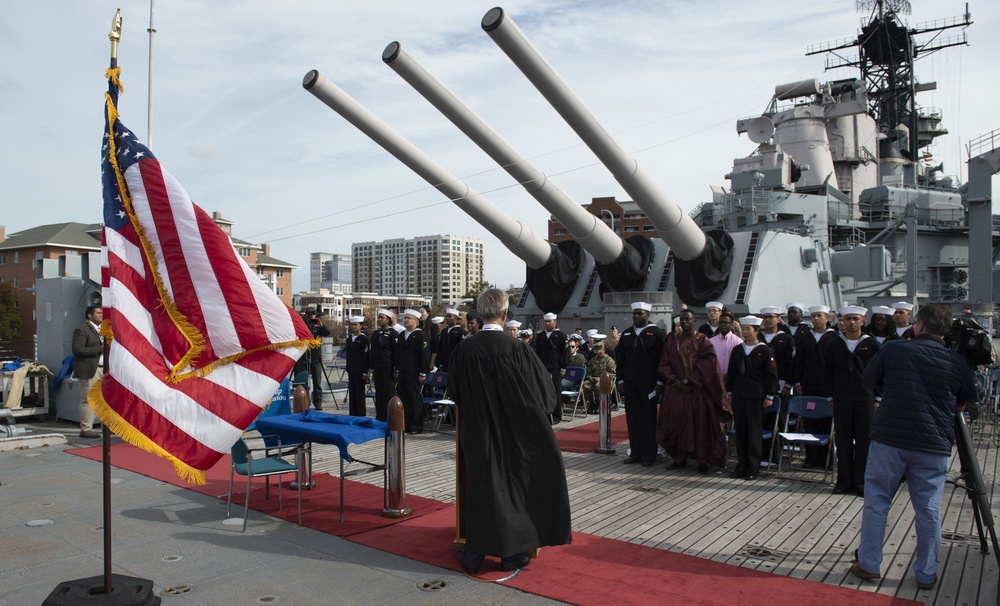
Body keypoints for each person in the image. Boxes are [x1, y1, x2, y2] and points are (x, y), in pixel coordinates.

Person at [851, 303, 978, 589]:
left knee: (877, 502)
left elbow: (869, 380)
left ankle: (869, 564)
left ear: (918, 325)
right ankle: (926, 572)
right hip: (933, 443)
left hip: (890, 440)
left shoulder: (896, 349)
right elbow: (970, 401)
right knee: (929, 508)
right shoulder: (956, 361)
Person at [447, 288, 572, 575]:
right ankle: (511, 553)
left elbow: (455, 392)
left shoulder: (463, 350)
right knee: (513, 488)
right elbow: (545, 395)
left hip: (478, 430)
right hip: (516, 433)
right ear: (505, 314)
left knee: (482, 485)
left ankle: (475, 551)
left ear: (480, 314)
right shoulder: (517, 349)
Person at [657, 308, 732, 474]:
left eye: (687, 319)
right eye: (681, 319)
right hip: (676, 391)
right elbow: (664, 364)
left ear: (694, 320)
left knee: (700, 426)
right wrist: (676, 381)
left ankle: (702, 460)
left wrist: (690, 381)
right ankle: (680, 458)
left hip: (697, 391)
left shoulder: (703, 340)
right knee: (677, 424)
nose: (684, 322)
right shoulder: (672, 341)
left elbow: (709, 363)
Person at [825, 305, 880, 495]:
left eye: (856, 319)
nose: (852, 322)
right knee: (843, 440)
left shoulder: (872, 345)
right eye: (848, 319)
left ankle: (861, 483)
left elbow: (880, 374)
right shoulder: (834, 344)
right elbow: (829, 372)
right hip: (842, 398)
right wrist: (830, 396)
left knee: (864, 442)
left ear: (863, 320)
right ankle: (844, 482)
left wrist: (878, 398)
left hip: (865, 399)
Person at [726, 316, 778, 480]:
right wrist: (729, 393)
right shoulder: (737, 349)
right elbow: (732, 373)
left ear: (756, 330)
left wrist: (769, 395)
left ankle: (752, 467)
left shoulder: (765, 350)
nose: (745, 332)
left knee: (754, 432)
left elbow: (771, 376)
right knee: (741, 430)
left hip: (756, 396)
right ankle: (741, 465)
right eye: (743, 328)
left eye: (749, 329)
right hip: (740, 395)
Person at [616, 302, 666, 466]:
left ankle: (648, 455)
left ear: (648, 315)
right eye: (635, 314)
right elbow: (620, 359)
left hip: (649, 384)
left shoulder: (657, 333)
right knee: (633, 419)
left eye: (640, 314)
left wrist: (659, 383)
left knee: (649, 419)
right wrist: (621, 379)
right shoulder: (627, 334)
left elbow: (662, 360)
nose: (637, 316)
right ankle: (635, 453)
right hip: (631, 383)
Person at [792, 305, 837, 468]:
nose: (816, 319)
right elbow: (799, 362)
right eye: (813, 316)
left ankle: (826, 459)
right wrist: (798, 382)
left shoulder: (834, 338)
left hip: (826, 386)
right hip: (809, 384)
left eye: (819, 316)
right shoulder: (805, 338)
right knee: (809, 421)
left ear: (827, 318)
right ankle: (811, 458)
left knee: (827, 422)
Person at [396, 309, 430, 434]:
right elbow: (398, 354)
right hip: (403, 372)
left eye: (408, 318)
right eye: (405, 318)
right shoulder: (402, 335)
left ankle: (416, 426)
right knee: (404, 398)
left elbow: (425, 355)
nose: (406, 320)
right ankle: (405, 424)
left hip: (415, 373)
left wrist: (423, 372)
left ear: (415, 321)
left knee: (414, 399)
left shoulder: (420, 335)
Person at [72, 306, 104, 438]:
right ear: (89, 316)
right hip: (90, 369)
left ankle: (106, 426)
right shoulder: (82, 330)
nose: (101, 315)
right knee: (87, 399)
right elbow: (77, 350)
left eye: (101, 313)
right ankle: (86, 429)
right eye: (98, 313)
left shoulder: (102, 330)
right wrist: (98, 349)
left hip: (103, 368)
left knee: (104, 399)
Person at [533, 312, 568, 424]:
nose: (547, 324)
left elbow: (565, 353)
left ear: (555, 322)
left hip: (556, 368)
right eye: (546, 322)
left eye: (550, 322)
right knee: (544, 391)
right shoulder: (540, 336)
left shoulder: (561, 336)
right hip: (543, 368)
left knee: (556, 391)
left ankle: (557, 415)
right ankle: (546, 414)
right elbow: (537, 353)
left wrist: (563, 368)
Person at [369, 309, 399, 422]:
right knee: (379, 392)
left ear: (388, 319)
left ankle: (390, 417)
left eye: (382, 317)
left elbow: (396, 352)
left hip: (389, 368)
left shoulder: (393, 334)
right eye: (379, 317)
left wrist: (395, 369)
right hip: (378, 367)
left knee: (389, 393)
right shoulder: (376, 334)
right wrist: (371, 367)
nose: (380, 319)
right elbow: (373, 351)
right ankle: (380, 416)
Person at [304, 309, 331, 410]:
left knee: (317, 382)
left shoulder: (318, 326)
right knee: (304, 382)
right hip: (305, 357)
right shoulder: (304, 324)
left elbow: (327, 333)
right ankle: (305, 402)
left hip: (316, 357)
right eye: (310, 314)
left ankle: (318, 402)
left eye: (314, 314)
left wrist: (321, 325)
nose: (312, 316)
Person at [345, 315, 370, 417]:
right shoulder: (349, 339)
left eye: (356, 325)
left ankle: (360, 415)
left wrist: (365, 371)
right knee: (353, 393)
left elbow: (366, 356)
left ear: (360, 326)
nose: (354, 327)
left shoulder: (363, 339)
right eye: (352, 325)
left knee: (359, 394)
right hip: (352, 369)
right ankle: (353, 414)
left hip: (360, 371)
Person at [582, 341, 616, 414]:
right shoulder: (593, 360)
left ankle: (599, 403)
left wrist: (601, 379)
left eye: (600, 352)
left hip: (606, 380)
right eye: (597, 353)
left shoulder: (609, 360)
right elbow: (588, 371)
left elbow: (612, 374)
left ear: (604, 350)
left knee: (598, 386)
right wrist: (590, 378)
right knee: (585, 385)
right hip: (593, 379)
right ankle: (592, 403)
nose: (598, 354)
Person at [708, 311, 742, 383]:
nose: (723, 324)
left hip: (732, 380)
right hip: (714, 379)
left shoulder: (738, 342)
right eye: (721, 322)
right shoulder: (711, 341)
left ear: (731, 324)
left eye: (726, 322)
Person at [437, 308, 466, 372]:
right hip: (444, 363)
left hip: (455, 362)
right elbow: (440, 347)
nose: (447, 318)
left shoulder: (460, 331)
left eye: (450, 316)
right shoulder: (444, 331)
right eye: (446, 316)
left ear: (456, 318)